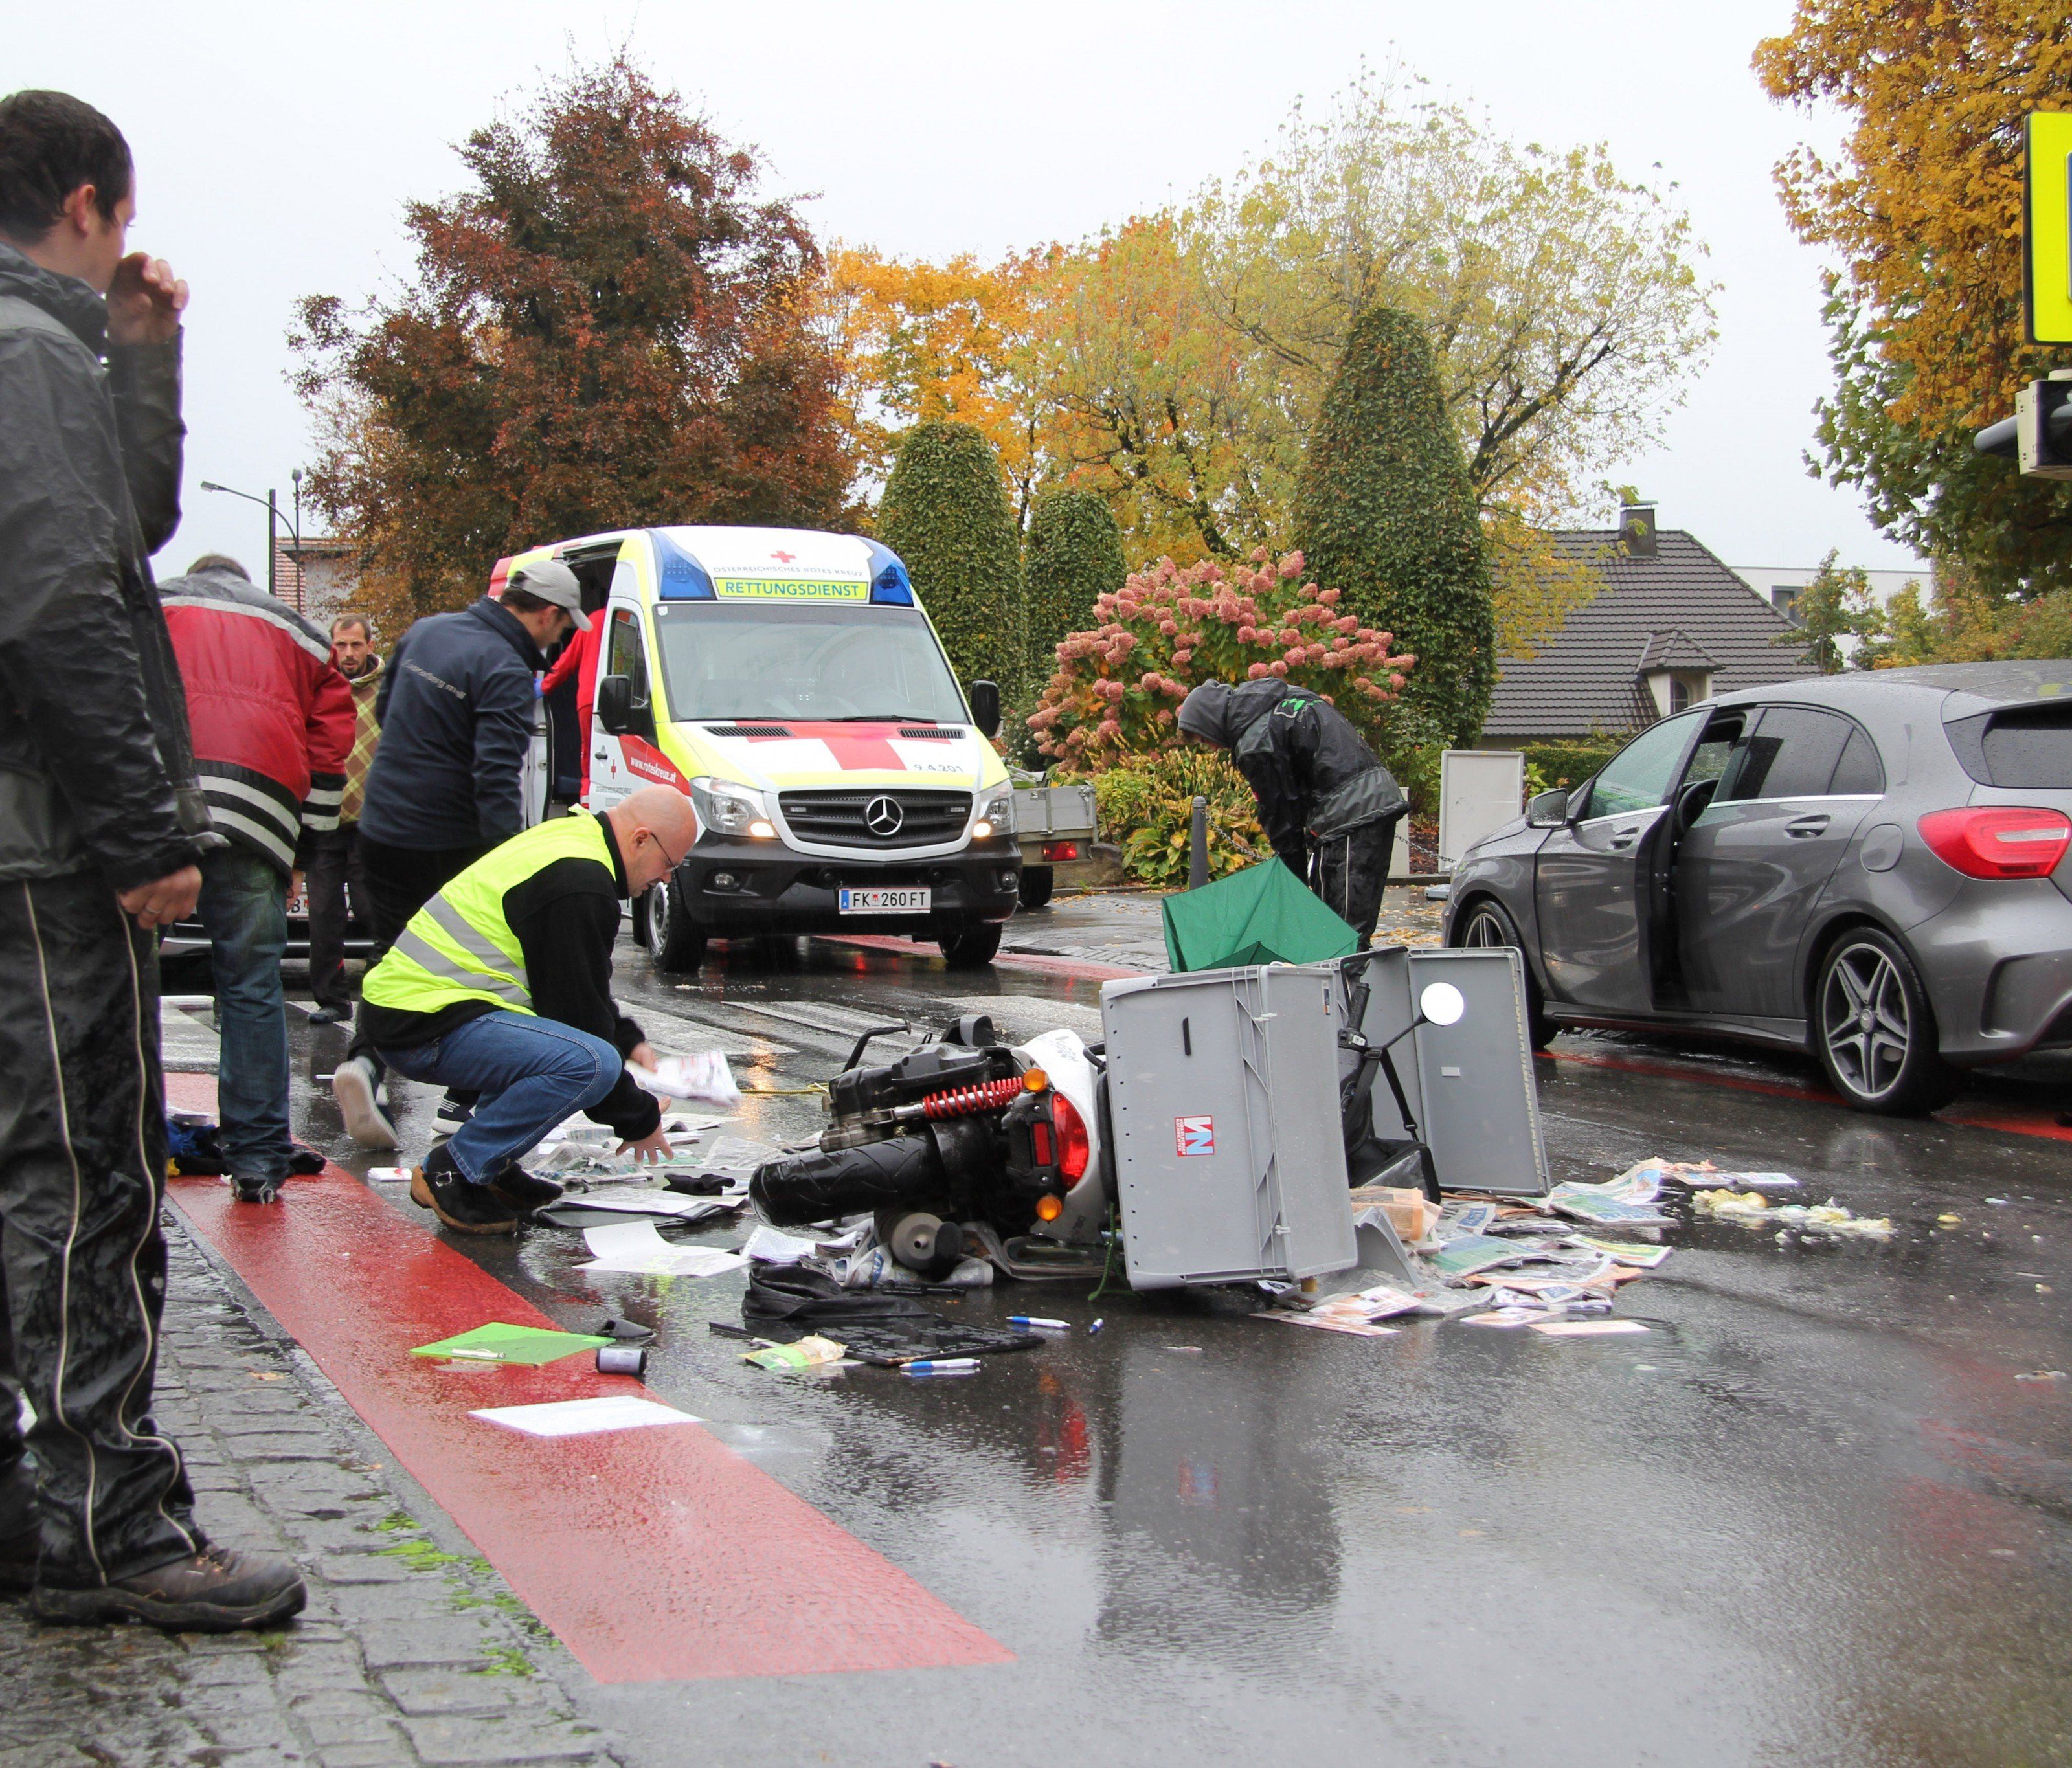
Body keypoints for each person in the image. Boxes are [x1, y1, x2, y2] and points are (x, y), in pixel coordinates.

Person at [0, 88, 305, 1629]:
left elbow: (109, 520)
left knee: (27, 1169)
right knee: (79, 1172)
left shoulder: (44, 350)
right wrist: (143, 834)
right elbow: (72, 591)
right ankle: (106, 1520)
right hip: (44, 853)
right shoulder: (27, 353)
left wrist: (138, 349)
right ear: (90, 203)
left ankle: (34, 1498)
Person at [358, 786, 695, 1234]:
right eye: (669, 863)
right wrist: (638, 1116)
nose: (667, 879)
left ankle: (491, 1165)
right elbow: (579, 1022)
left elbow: (576, 989)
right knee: (589, 1063)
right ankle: (454, 1169)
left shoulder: (575, 842)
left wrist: (628, 1039)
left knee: (573, 1048)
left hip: (416, 1008)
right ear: (640, 839)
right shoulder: (580, 882)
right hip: (423, 1022)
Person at [332, 561, 587, 1150]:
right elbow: (496, 776)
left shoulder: (426, 631)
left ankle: (366, 1064)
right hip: (448, 837)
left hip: (383, 825)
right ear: (545, 613)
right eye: (561, 628)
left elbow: (387, 711)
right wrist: (508, 862)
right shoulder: (503, 666)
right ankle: (463, 1101)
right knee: (481, 967)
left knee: (392, 954)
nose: (559, 639)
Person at [161, 556, 354, 1204]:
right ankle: (257, 1158)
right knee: (249, 984)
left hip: (156, 802)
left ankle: (129, 1143)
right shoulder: (297, 632)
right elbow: (332, 750)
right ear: (248, 584)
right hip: (258, 806)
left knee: (126, 981)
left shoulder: (152, 605)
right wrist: (305, 846)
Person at [1177, 678, 1408, 948]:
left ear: (1211, 720)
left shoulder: (1255, 743)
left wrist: (1293, 878)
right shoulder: (1281, 699)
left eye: (1205, 738)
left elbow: (1280, 814)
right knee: (1353, 922)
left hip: (1346, 814)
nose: (1212, 747)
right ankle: (1349, 981)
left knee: (1336, 929)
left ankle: (1343, 986)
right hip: (1374, 797)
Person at [304, 610, 381, 1024]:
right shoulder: (318, 686)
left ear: (370, 645)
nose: (348, 653)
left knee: (376, 913)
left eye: (355, 644)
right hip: (325, 819)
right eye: (340, 645)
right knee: (324, 915)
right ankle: (332, 1000)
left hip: (373, 824)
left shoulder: (388, 691)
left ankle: (383, 991)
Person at [537, 609, 601, 801]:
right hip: (627, 699)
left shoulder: (594, 620)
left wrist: (542, 685)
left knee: (591, 766)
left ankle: (587, 806)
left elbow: (567, 662)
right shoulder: (636, 614)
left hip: (589, 701)